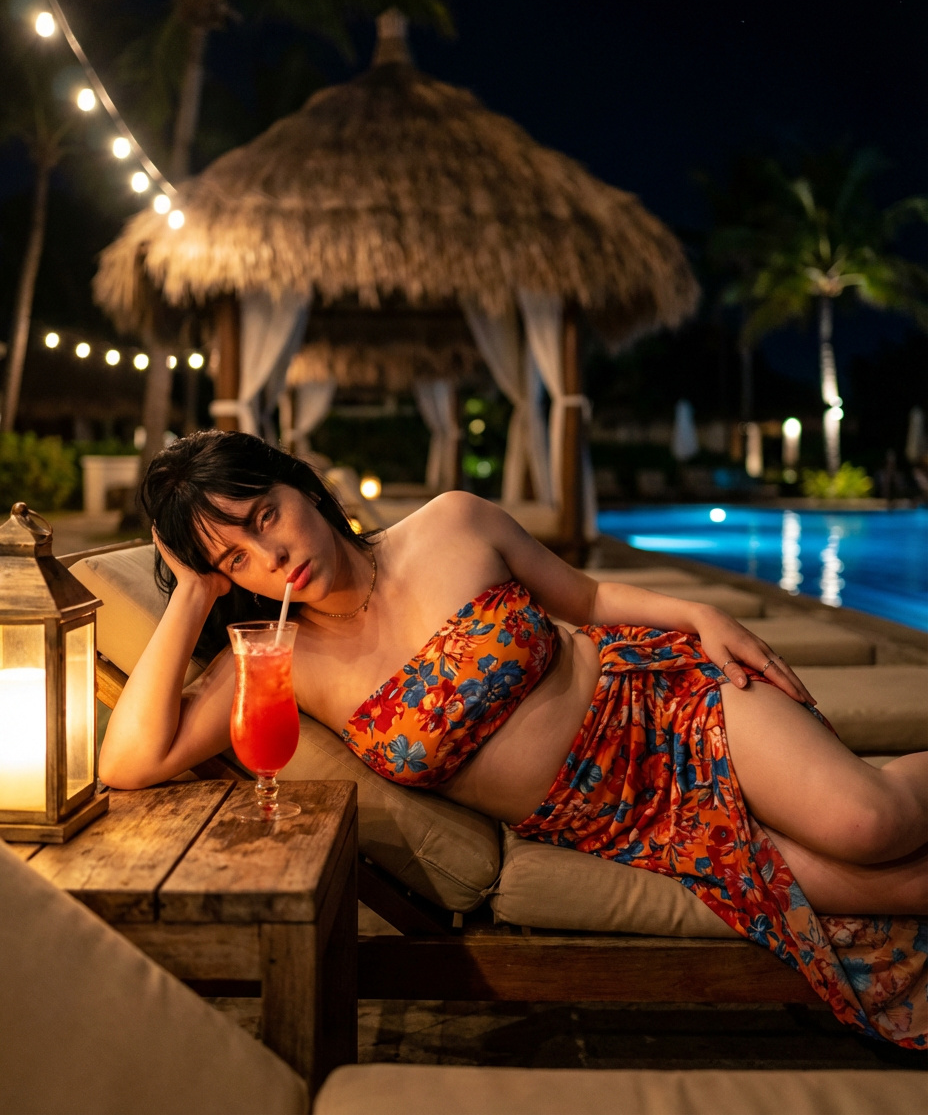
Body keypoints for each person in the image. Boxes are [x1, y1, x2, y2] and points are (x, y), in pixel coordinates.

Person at [100, 430, 927, 1050]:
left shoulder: (450, 526)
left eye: (266, 517)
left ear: (302, 487)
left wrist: (700, 613)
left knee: (873, 825)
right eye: (237, 559)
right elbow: (129, 763)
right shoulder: (280, 661)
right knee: (896, 887)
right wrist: (194, 595)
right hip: (626, 826)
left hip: (664, 702)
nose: (273, 557)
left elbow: (590, 596)